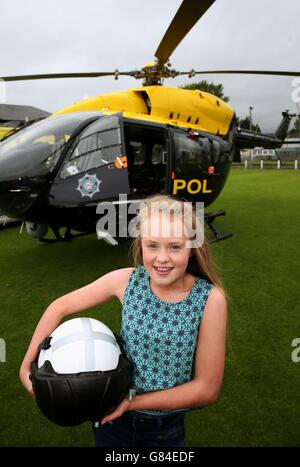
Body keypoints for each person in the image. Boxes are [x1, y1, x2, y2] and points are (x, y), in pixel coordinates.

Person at [19, 194, 227, 447]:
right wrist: (27, 364)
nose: (162, 258)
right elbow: (58, 307)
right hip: (109, 419)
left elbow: (206, 390)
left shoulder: (209, 299)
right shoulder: (127, 281)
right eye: (152, 245)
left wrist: (132, 403)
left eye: (175, 246)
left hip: (163, 431)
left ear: (192, 248)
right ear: (141, 243)